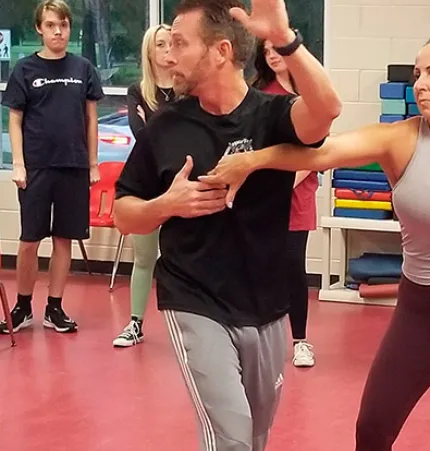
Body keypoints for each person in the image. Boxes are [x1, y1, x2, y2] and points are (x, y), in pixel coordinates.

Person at [202, 33, 430, 451]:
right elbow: (321, 154)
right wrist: (252, 160)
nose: (419, 83)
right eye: (417, 73)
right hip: (421, 304)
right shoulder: (399, 139)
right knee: (372, 428)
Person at [112, 0, 341, 449]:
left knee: (254, 436)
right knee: (231, 437)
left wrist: (284, 40)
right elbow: (124, 213)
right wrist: (167, 204)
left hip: (266, 304)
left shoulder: (272, 116)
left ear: (219, 51)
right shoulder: (166, 126)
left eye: (180, 43)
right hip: (193, 298)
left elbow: (327, 108)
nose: (168, 55)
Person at [0, 0, 103, 335]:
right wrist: (18, 163)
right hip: (36, 167)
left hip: (73, 166)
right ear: (39, 29)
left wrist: (92, 163)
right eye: (51, 25)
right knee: (30, 239)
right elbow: (14, 121)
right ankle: (23, 306)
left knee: (63, 239)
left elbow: (91, 118)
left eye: (63, 25)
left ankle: (54, 308)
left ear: (69, 27)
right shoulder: (25, 70)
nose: (58, 31)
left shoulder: (83, 68)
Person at [252, 38, 319, 367]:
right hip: (266, 196)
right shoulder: (261, 94)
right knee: (264, 266)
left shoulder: (309, 91)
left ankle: (300, 340)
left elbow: (316, 151)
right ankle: (264, 337)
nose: (272, 56)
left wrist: (294, 178)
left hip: (299, 193)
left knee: (293, 265)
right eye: (266, 52)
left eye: (277, 49)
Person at [112, 23, 175, 348]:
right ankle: (135, 323)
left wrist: (156, 124)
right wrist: (164, 128)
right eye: (161, 45)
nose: (168, 51)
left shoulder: (187, 89)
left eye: (172, 44)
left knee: (185, 258)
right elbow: (143, 136)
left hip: (180, 183)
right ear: (150, 51)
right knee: (144, 257)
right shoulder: (138, 91)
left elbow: (184, 134)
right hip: (146, 185)